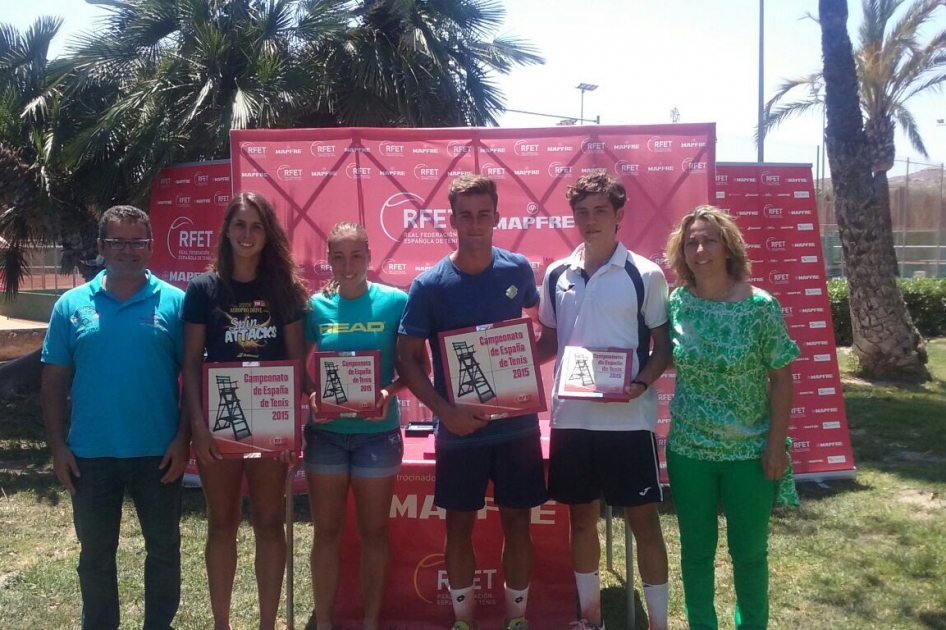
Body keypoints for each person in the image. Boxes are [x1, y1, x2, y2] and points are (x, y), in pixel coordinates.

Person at [396, 175, 547, 630]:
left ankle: (516, 619)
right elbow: (407, 359)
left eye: (484, 214)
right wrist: (445, 412)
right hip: (459, 431)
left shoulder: (517, 269)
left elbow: (543, 335)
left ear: (497, 217)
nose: (475, 223)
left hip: (515, 428)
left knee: (519, 524)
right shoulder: (429, 285)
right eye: (466, 215)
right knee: (458, 528)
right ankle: (464, 621)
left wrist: (516, 377)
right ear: (452, 219)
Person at [41, 205, 188, 630]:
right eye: (118, 242)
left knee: (163, 550)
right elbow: (53, 383)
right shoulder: (71, 305)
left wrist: (184, 441)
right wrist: (58, 448)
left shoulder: (176, 303)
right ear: (102, 246)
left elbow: (193, 379)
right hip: (90, 455)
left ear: (151, 246)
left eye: (137, 241)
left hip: (158, 453)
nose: (128, 250)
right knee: (95, 555)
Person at [535, 173, 671, 630]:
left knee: (644, 525)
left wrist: (642, 382)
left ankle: (658, 624)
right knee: (580, 521)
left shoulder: (644, 274)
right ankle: (590, 618)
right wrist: (498, 365)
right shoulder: (556, 273)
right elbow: (548, 342)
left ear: (619, 216)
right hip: (572, 419)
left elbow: (663, 344)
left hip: (628, 420)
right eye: (582, 212)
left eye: (600, 211)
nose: (589, 220)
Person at [663, 205, 799, 630]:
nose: (699, 249)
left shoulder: (760, 306)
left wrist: (776, 446)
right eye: (690, 242)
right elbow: (655, 354)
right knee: (696, 552)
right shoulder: (677, 303)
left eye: (708, 240)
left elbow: (782, 379)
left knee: (750, 554)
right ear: (681, 253)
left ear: (728, 247)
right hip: (689, 450)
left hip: (750, 452)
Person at [182, 191, 309, 630]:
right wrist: (198, 426)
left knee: (270, 524)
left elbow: (296, 363)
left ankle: (267, 624)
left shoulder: (287, 290)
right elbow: (191, 361)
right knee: (222, 523)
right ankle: (222, 623)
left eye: (256, 226)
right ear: (227, 231)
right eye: (239, 225)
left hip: (271, 420)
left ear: (268, 233)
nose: (247, 234)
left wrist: (293, 430)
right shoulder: (203, 289)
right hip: (218, 420)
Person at [303, 222, 417, 630]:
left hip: (377, 436)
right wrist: (312, 395)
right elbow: (296, 367)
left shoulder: (395, 302)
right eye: (338, 256)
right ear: (329, 259)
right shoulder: (315, 308)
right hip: (326, 438)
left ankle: (370, 622)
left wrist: (390, 392)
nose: (347, 265)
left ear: (370, 255)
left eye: (355, 256)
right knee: (326, 534)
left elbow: (413, 366)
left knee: (374, 533)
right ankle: (327, 624)